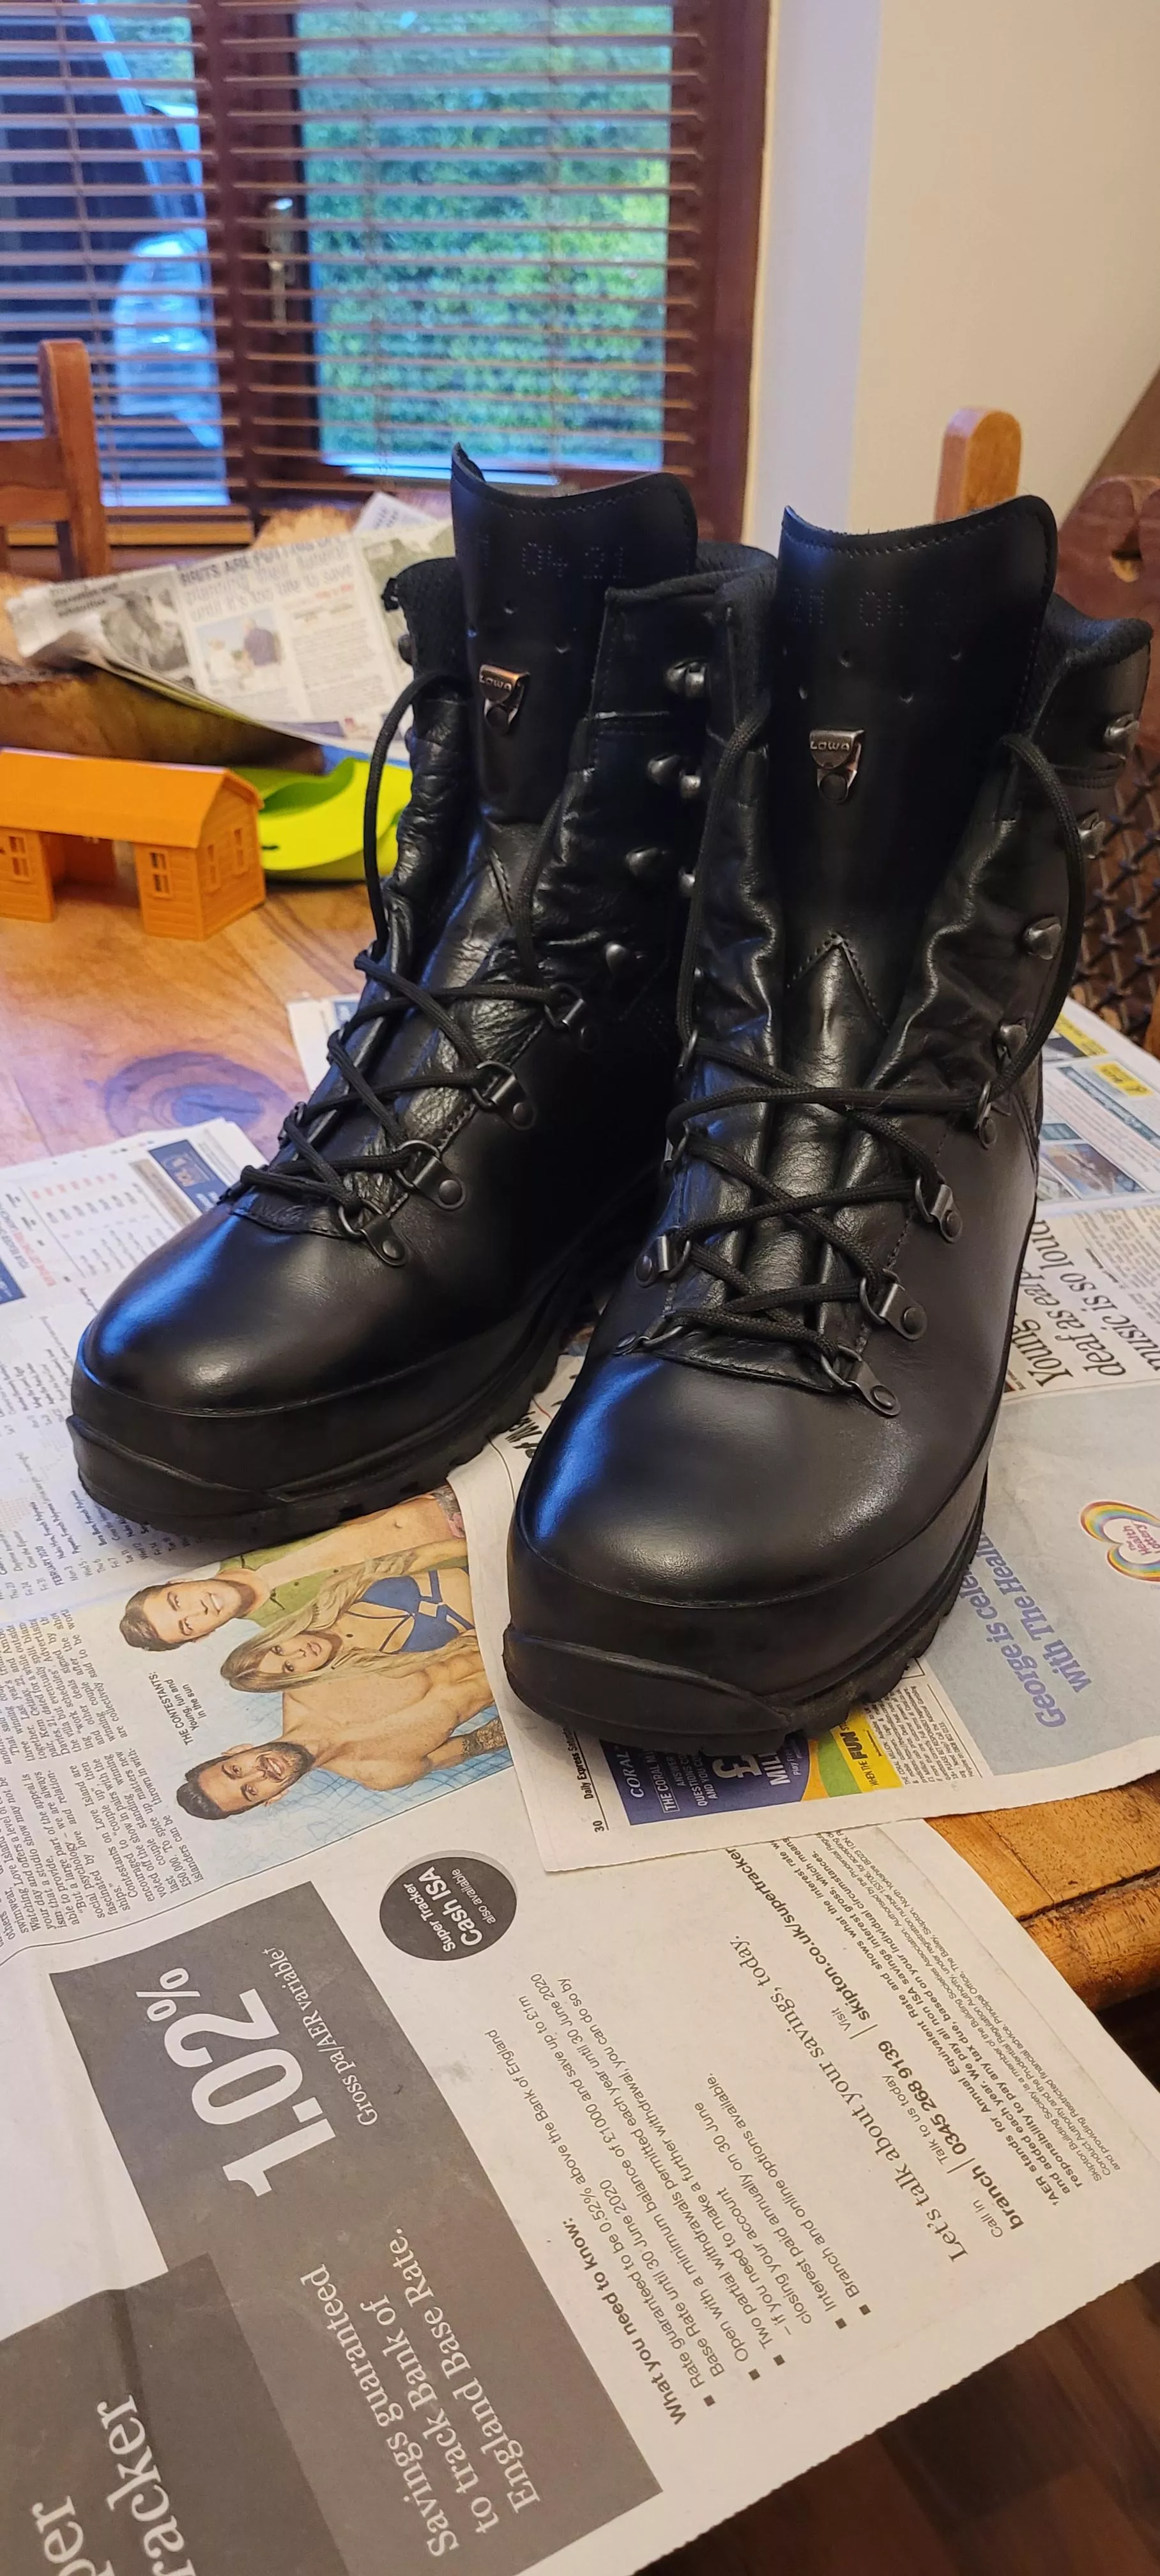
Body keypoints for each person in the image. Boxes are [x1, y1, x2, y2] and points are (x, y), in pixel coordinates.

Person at [176, 1652, 504, 1821]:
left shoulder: (308, 1685)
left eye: (235, 1770)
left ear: (238, 1750)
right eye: (250, 1791)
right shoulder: (382, 1773)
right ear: (273, 1798)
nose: (259, 1774)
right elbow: (479, 1743)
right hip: (521, 1675)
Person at [119, 1492, 462, 1651]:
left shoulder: (233, 1538)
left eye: (177, 1601)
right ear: (202, 1636)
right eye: (187, 1625)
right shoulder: (292, 1629)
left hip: (437, 1487)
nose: (199, 1610)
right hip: (468, 1542)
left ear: (180, 1581)